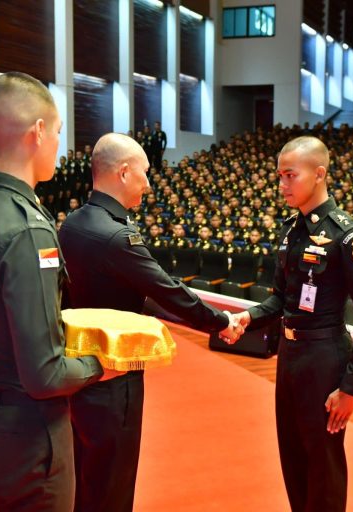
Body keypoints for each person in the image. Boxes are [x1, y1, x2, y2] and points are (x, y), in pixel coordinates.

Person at [0, 72, 122, 511]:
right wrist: (103, 364)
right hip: (27, 436)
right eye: (58, 132)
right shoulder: (28, 228)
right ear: (38, 132)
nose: (58, 144)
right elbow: (45, 375)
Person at [58, 132, 243, 512]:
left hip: (78, 368)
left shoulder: (72, 223)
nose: (148, 182)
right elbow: (166, 290)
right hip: (115, 373)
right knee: (113, 481)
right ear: (124, 172)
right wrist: (221, 322)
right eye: (144, 172)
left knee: (85, 473)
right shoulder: (115, 235)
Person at [234, 136, 353, 512]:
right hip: (290, 355)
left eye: (290, 175)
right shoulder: (291, 229)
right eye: (280, 176)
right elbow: (279, 299)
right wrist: (247, 317)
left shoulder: (347, 235)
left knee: (323, 463)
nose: (282, 185)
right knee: (293, 456)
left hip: (324, 358)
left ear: (319, 174)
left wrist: (351, 386)